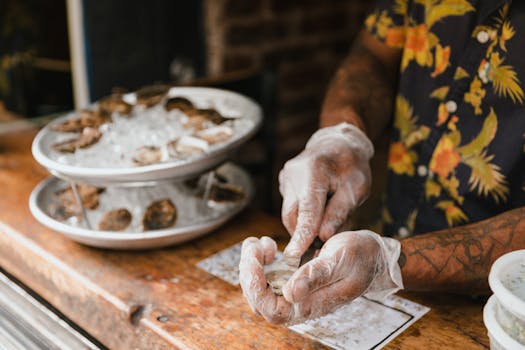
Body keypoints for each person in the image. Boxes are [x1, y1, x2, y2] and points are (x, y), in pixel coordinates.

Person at [239, 0, 525, 324]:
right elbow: (373, 55)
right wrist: (342, 135)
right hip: (393, 252)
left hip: (506, 312)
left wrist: (388, 263)